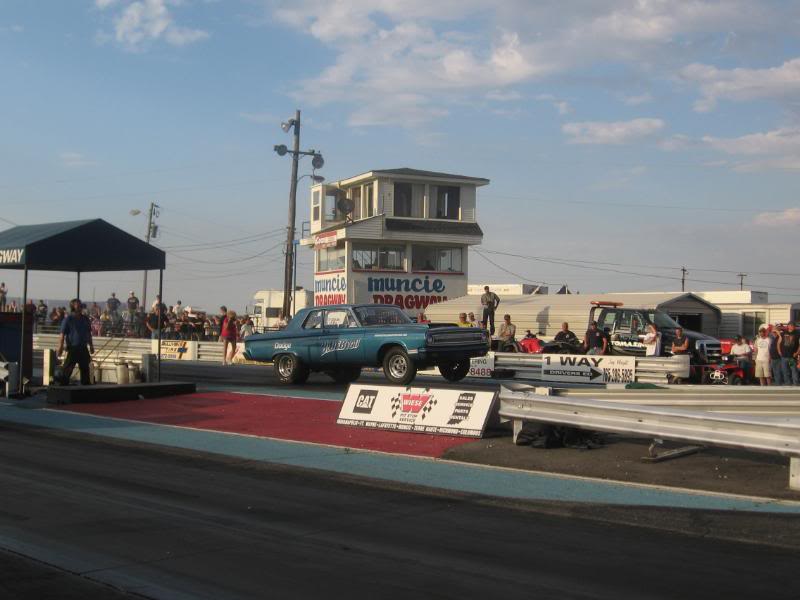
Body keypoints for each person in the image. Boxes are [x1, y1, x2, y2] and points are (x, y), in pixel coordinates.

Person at [57, 299, 94, 385]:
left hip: (83, 348)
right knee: (67, 369)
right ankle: (63, 385)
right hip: (73, 348)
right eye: (78, 305)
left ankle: (85, 386)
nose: (80, 306)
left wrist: (91, 346)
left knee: (85, 369)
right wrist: (60, 347)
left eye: (80, 305)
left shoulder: (85, 319)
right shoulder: (68, 319)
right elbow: (62, 335)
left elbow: (88, 333)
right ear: (73, 306)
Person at [778, 322, 799, 386]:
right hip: (784, 357)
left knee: (793, 370)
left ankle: (795, 383)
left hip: (791, 357)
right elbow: (778, 343)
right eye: (790, 325)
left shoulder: (797, 334)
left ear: (794, 326)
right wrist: (779, 351)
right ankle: (788, 383)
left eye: (792, 325)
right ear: (788, 326)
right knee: (785, 371)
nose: (791, 326)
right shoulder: (783, 333)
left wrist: (797, 353)